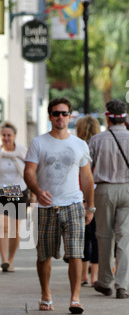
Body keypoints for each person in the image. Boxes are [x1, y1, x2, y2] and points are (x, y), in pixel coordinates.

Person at [24, 97, 94, 314]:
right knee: (44, 255)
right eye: (56, 113)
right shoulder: (39, 142)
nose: (60, 117)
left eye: (64, 113)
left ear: (70, 115)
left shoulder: (79, 144)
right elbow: (28, 172)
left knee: (75, 253)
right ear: (50, 116)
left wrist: (89, 207)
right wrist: (37, 191)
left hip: (73, 204)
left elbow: (88, 178)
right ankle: (46, 294)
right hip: (47, 207)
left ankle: (75, 298)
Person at [89, 99, 129, 299]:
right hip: (128, 189)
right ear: (124, 116)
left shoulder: (97, 140)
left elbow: (88, 170)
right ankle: (123, 285)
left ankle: (105, 281)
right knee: (125, 238)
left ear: (107, 116)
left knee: (104, 236)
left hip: (104, 190)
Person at [0, 121, 28, 272]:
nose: (6, 138)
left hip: (19, 191)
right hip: (0, 191)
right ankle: (4, 260)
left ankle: (11, 259)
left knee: (15, 230)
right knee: (3, 227)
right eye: (3, 135)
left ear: (14, 136)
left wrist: (33, 195)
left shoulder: (22, 151)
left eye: (9, 135)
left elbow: (30, 172)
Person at [75, 115, 100, 286]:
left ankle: (83, 274)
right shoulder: (101, 144)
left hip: (79, 193)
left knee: (82, 236)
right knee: (97, 237)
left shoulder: (76, 145)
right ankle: (95, 276)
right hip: (98, 193)